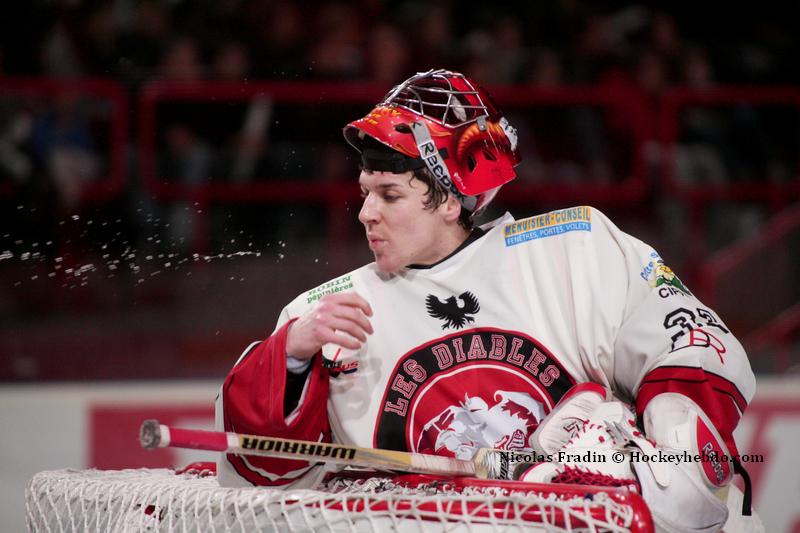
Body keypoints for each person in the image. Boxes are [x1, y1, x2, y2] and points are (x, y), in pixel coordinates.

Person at [216, 69, 758, 532]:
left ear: (450, 201)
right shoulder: (323, 316)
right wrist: (291, 357)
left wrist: (672, 450)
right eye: (364, 193)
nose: (365, 213)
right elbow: (265, 471)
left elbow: (694, 348)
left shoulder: (577, 250)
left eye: (389, 195)